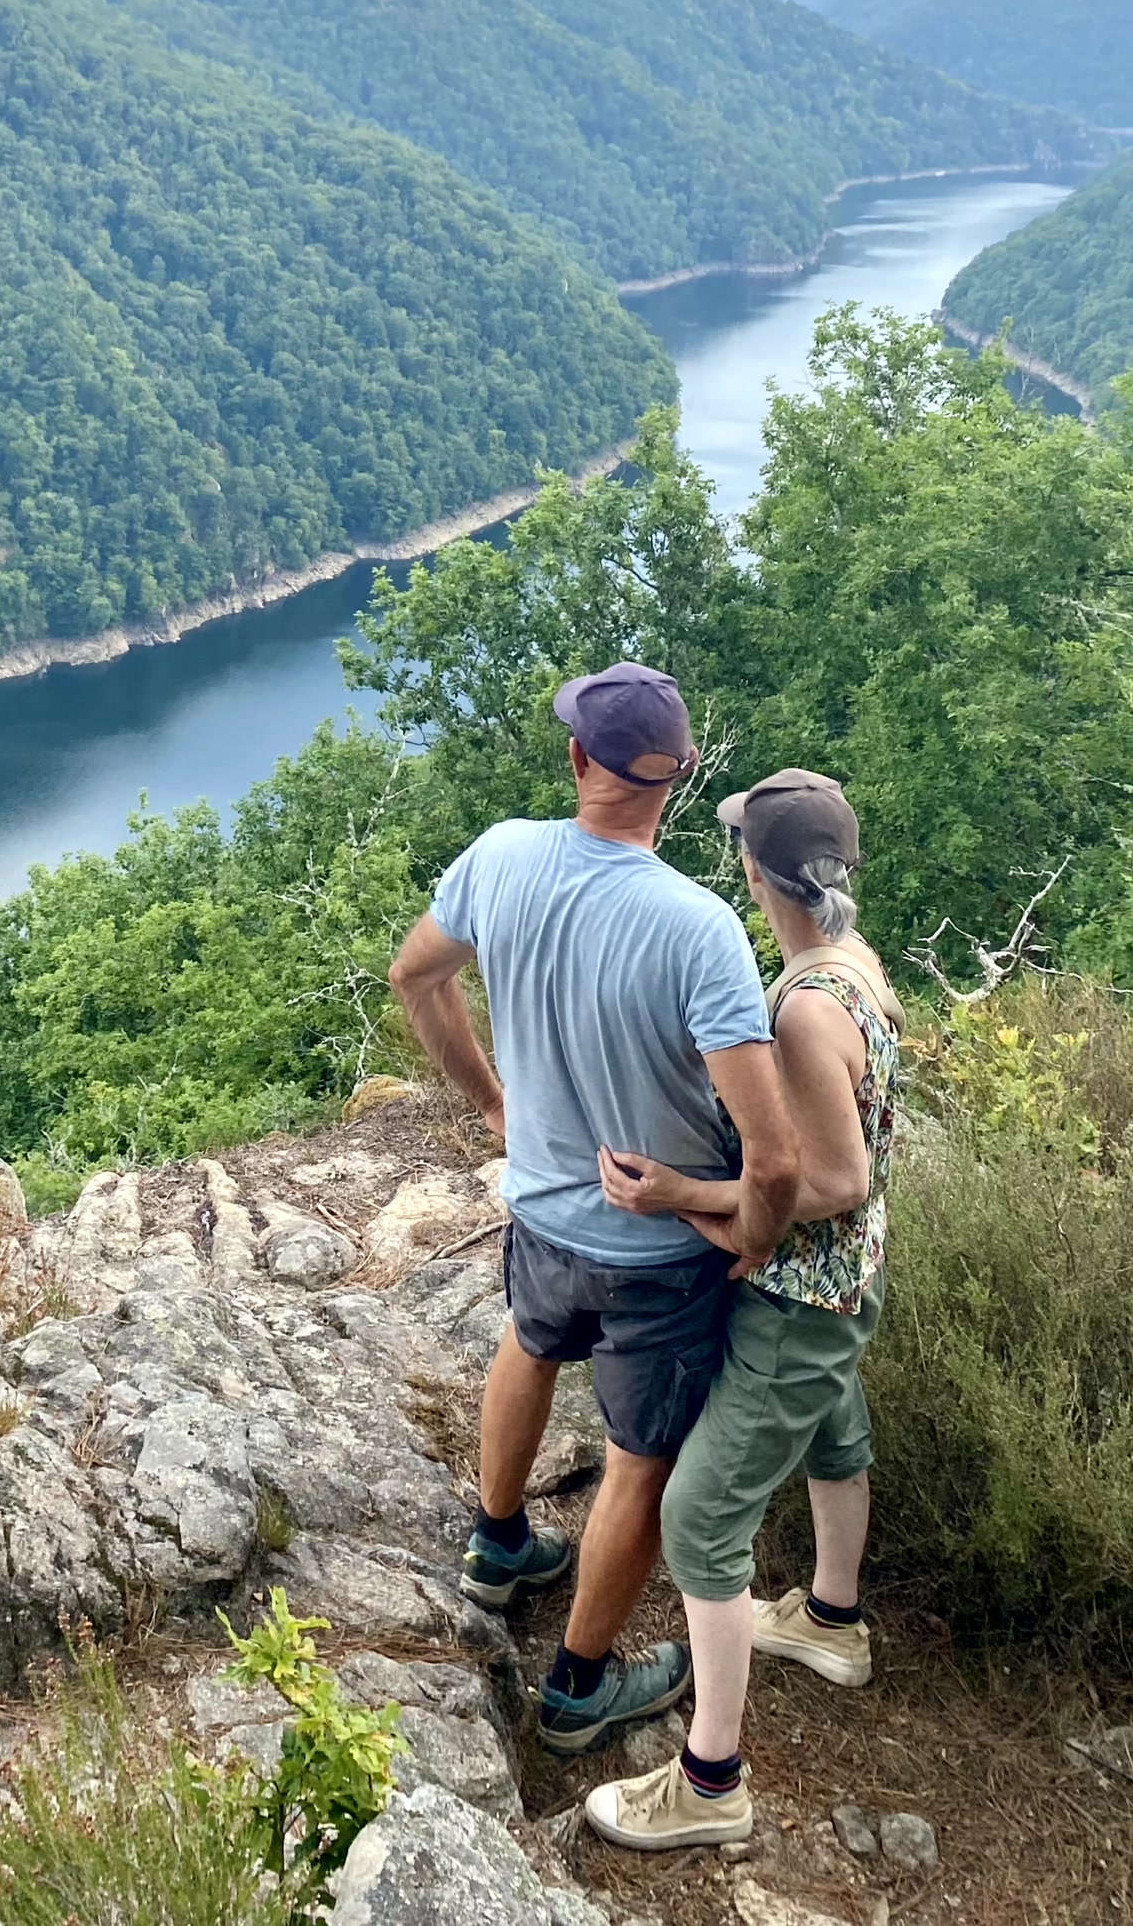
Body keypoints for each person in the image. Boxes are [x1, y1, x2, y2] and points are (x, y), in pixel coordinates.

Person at [388, 663, 801, 1756]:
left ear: (577, 759)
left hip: (540, 1211)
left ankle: (496, 1544)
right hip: (656, 1252)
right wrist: (747, 1238)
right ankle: (576, 1686)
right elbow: (772, 1155)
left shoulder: (501, 855)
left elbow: (413, 975)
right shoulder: (696, 926)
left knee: (527, 1340)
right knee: (635, 1455)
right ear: (679, 777)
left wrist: (491, 1102)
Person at [580, 768, 904, 1852]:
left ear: (753, 873)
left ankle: (710, 1778)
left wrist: (680, 1194)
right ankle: (828, 1619)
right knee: (833, 1430)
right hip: (846, 1282)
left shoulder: (806, 1007)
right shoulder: (853, 965)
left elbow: (828, 1179)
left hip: (799, 1289)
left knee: (698, 1521)